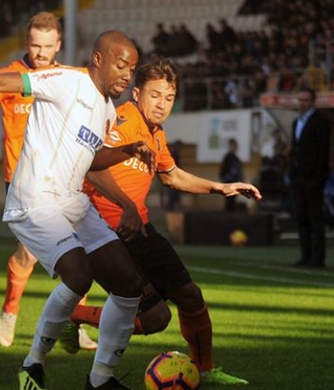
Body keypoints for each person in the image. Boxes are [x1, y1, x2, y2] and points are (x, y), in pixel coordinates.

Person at [0, 30, 153, 390]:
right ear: (98, 59)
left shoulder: (107, 111)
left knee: (129, 283)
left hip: (71, 200)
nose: (127, 75)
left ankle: (100, 379)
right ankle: (32, 365)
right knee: (79, 275)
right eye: (121, 65)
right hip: (34, 198)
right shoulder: (65, 80)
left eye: (132, 69)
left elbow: (91, 163)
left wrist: (128, 156)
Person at [61, 56, 260, 387]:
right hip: (109, 233)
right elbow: (91, 165)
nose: (162, 104)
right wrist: (125, 205)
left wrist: (220, 187)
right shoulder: (123, 119)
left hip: (140, 230)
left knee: (190, 297)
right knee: (155, 317)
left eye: (169, 97)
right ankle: (74, 316)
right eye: (155, 95)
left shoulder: (156, 134)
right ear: (137, 93)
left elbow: (172, 176)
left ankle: (205, 370)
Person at [0, 11, 95, 351]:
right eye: (36, 45)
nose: (41, 53)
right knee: (28, 255)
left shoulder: (66, 77)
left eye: (48, 46)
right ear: (27, 42)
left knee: (80, 254)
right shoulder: (10, 76)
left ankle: (76, 325)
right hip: (23, 181)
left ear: (58, 45)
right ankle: (10, 310)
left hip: (63, 179)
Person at [290, 88, 331, 268]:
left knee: (315, 218)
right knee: (301, 217)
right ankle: (305, 256)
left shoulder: (320, 121)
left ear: (313, 102)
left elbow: (323, 151)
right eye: (299, 100)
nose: (301, 103)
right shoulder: (296, 122)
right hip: (299, 177)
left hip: (313, 177)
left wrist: (318, 177)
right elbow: (295, 149)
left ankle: (318, 258)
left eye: (305, 100)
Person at [219, 138, 244, 212]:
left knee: (233, 199)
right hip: (228, 181)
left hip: (235, 181)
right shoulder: (227, 158)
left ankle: (231, 212)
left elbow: (239, 171)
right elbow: (223, 170)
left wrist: (241, 180)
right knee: (228, 199)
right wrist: (224, 178)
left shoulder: (236, 159)